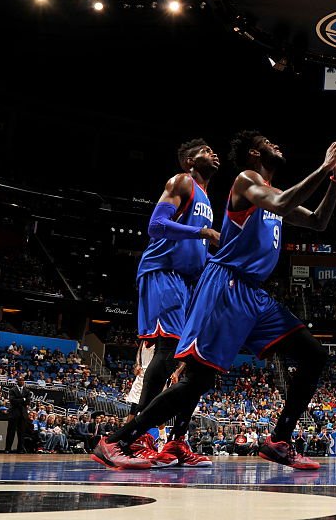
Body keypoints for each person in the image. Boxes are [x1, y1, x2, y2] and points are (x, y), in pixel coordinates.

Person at [92, 131, 336, 471]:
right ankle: (116, 440)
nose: (278, 146)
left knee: (314, 355)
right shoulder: (246, 181)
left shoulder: (275, 194)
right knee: (195, 382)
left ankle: (279, 441)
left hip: (254, 293)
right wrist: (322, 167)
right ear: (255, 154)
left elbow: (318, 221)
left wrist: (335, 181)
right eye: (271, 144)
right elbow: (282, 204)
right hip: (225, 286)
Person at [129, 139, 221, 468]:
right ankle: (141, 436)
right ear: (189, 161)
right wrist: (202, 235)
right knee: (172, 354)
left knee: (193, 361)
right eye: (205, 150)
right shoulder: (181, 182)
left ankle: (175, 441)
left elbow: (199, 247)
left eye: (213, 150)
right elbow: (155, 226)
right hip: (162, 273)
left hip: (184, 282)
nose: (214, 153)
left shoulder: (208, 200)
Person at [5, 376, 33, 454]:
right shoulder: (12, 390)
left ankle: (20, 449)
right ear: (17, 381)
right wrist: (23, 399)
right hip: (14, 413)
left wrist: (20, 400)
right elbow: (12, 401)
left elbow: (28, 402)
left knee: (21, 433)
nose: (21, 381)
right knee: (11, 432)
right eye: (20, 380)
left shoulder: (27, 391)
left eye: (23, 380)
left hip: (23, 414)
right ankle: (8, 448)